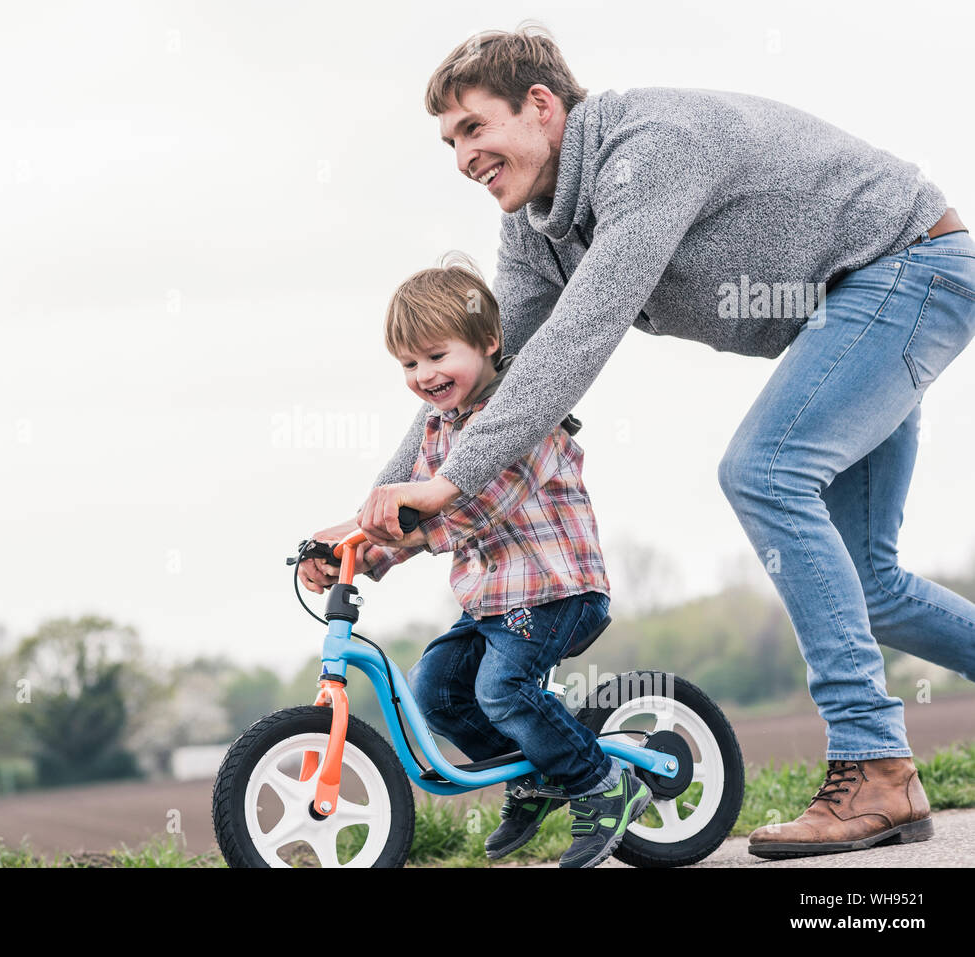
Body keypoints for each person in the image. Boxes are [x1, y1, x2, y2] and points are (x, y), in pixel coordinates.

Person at [308, 23, 975, 859]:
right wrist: (379, 514)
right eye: (449, 141)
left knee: (764, 472)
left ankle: (876, 766)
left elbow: (578, 339)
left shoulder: (647, 152)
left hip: (907, 267)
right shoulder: (536, 228)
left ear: (541, 106)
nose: (462, 158)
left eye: (474, 128)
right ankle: (882, 765)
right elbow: (491, 376)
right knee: (866, 580)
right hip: (853, 311)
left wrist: (444, 488)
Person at [303, 253, 650, 867]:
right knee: (436, 692)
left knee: (502, 688)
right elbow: (409, 514)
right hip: (491, 603)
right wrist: (354, 555)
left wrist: (384, 533)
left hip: (555, 595)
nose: (423, 375)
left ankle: (599, 781)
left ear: (489, 342)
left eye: (438, 357)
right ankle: (539, 775)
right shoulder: (439, 429)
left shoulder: (523, 421)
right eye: (409, 363)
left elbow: (470, 510)